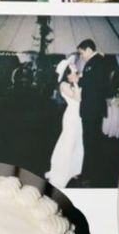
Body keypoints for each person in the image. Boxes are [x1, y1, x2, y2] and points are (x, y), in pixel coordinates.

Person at [45, 59, 83, 188]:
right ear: (67, 74)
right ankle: (63, 170)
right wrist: (77, 83)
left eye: (76, 72)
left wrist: (77, 80)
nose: (76, 74)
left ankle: (74, 168)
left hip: (78, 116)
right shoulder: (63, 85)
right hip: (71, 116)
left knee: (77, 141)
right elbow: (77, 98)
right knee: (68, 142)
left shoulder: (70, 83)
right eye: (73, 72)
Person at [77, 38, 110, 184]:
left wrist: (78, 80)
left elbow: (94, 84)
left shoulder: (98, 62)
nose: (81, 56)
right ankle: (88, 172)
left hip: (92, 109)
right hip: (92, 108)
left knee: (90, 142)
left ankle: (89, 175)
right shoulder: (96, 62)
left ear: (89, 49)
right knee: (90, 141)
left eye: (82, 53)